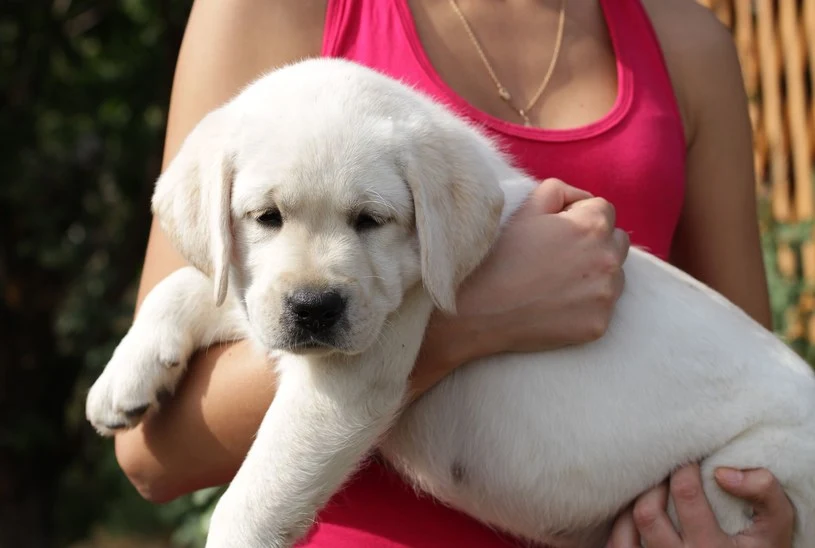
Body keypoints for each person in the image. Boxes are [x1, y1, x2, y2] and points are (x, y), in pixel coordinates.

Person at [114, 0, 797, 546]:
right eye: (267, 216)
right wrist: (469, 320)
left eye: (367, 219)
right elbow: (152, 457)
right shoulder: (271, 11)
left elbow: (746, 369)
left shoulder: (683, 38)